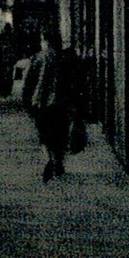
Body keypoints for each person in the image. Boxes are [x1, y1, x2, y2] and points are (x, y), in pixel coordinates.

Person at [22, 27, 80, 182]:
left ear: (45, 41)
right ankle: (59, 162)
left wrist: (27, 102)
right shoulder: (67, 58)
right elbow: (76, 83)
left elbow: (28, 82)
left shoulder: (36, 58)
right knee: (61, 134)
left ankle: (49, 157)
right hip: (63, 104)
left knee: (44, 135)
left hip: (42, 104)